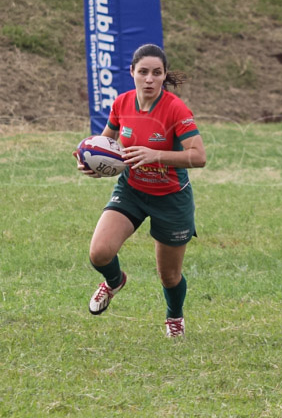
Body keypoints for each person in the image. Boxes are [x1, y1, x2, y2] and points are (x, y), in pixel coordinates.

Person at [75, 44, 206, 337]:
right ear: (132, 72)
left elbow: (199, 156)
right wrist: (92, 163)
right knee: (99, 253)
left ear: (163, 76)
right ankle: (113, 281)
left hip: (171, 197)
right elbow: (106, 145)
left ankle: (174, 317)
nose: (149, 79)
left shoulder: (175, 109)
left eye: (156, 73)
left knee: (169, 276)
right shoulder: (121, 103)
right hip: (132, 190)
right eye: (143, 72)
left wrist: (155, 155)